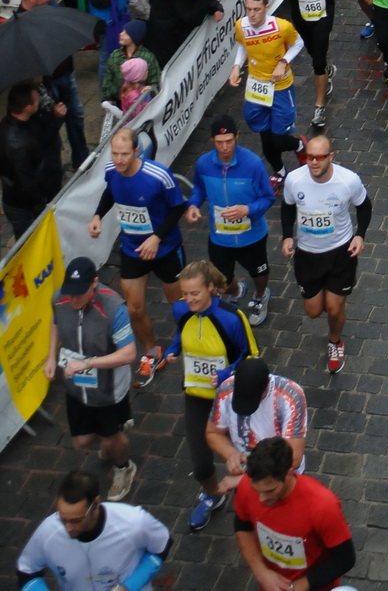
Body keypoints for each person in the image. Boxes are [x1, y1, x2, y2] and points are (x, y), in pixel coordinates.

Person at [157, 258, 258, 531]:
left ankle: (253, 503)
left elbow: (252, 356)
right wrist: (172, 351)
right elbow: (181, 333)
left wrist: (227, 373)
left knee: (240, 458)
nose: (188, 299)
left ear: (211, 288)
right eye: (185, 293)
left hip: (231, 399)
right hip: (197, 396)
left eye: (195, 293)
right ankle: (212, 495)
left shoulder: (231, 318)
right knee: (201, 466)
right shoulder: (182, 310)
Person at [87, 127, 186, 385]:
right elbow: (110, 192)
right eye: (115, 154)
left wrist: (157, 237)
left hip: (165, 248)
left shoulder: (158, 175)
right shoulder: (112, 170)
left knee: (180, 304)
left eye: (124, 155)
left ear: (136, 151)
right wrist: (98, 215)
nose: (118, 160)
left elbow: (178, 207)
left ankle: (186, 338)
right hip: (132, 248)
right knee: (134, 308)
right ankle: (152, 352)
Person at [45, 256, 138, 503]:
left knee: (111, 439)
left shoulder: (113, 307)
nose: (73, 299)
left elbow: (129, 353)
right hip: (76, 386)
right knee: (80, 441)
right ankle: (115, 429)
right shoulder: (59, 297)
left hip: (108, 389)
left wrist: (87, 363)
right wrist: (50, 357)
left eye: (80, 293)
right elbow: (55, 322)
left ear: (95, 284)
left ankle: (124, 467)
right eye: (70, 292)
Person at [280, 133, 371, 375]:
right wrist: (287, 235)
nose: (314, 163)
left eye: (320, 157)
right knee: (313, 311)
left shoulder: (348, 180)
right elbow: (287, 207)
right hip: (308, 254)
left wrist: (360, 235)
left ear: (331, 157)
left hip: (340, 252)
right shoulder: (294, 180)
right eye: (309, 157)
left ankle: (335, 341)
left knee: (333, 308)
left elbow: (364, 206)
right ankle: (332, 309)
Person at [184, 114, 275, 326]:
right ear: (212, 141)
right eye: (219, 143)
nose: (225, 147)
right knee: (222, 282)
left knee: (259, 271)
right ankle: (236, 291)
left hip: (252, 236)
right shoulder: (204, 164)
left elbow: (268, 197)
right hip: (220, 238)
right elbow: (198, 188)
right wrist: (193, 205)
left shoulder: (253, 164)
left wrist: (247, 209)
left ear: (237, 137)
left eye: (229, 141)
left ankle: (261, 295)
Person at [233, 436, 356, 591]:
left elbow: (344, 559)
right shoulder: (246, 485)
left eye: (270, 490)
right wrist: (261, 572)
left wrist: (297, 587)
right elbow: (242, 526)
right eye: (257, 490)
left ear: (289, 472)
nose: (261, 498)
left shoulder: (323, 506)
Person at [17, 469, 169, 591]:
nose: (68, 528)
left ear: (95, 503)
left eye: (76, 520)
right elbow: (26, 571)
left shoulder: (133, 521)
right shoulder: (48, 532)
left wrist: (128, 587)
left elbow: (161, 547)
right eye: (63, 519)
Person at [229, 0, 305, 180]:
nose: (252, 15)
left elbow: (298, 43)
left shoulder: (282, 26)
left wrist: (283, 62)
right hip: (257, 86)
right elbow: (242, 45)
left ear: (267, 7)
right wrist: (236, 67)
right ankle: (279, 172)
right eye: (248, 9)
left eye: (257, 10)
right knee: (264, 134)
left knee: (278, 138)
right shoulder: (241, 26)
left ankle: (299, 145)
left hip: (280, 86)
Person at [273, 0, 344, 129]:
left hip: (323, 13)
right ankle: (326, 70)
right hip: (300, 14)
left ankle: (319, 106)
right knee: (313, 52)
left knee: (318, 56)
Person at [206, 357, 308, 493]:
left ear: (266, 383)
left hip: (278, 480)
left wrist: (244, 480)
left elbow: (292, 458)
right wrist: (231, 454)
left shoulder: (290, 396)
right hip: (247, 474)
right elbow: (213, 432)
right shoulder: (226, 389)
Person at [0, 79, 64, 241]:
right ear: (28, 108)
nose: (39, 101)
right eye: (36, 100)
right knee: (28, 243)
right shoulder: (20, 144)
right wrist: (40, 206)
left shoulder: (11, 124)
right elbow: (26, 182)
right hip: (23, 206)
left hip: (17, 199)